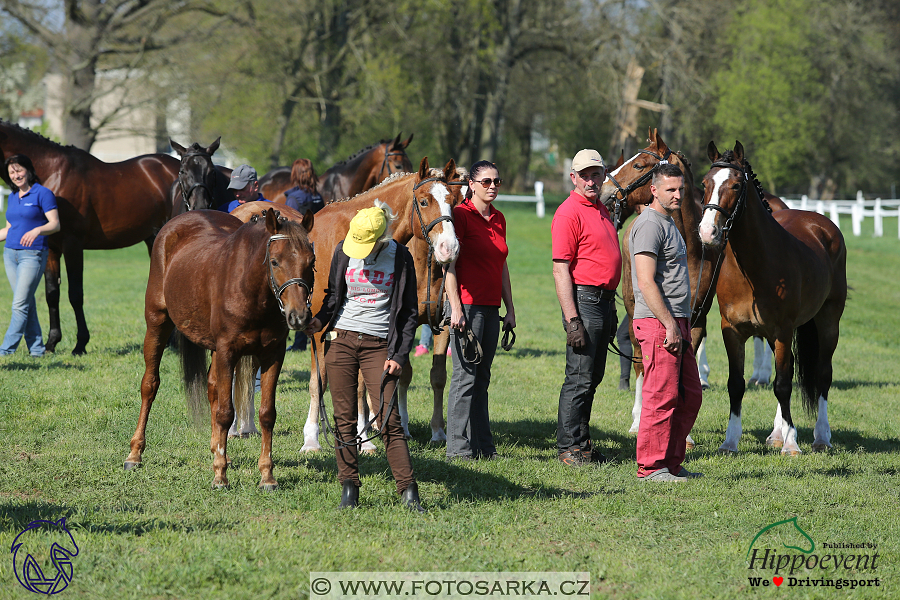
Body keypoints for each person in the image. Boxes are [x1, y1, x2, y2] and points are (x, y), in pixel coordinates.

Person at [305, 204, 423, 511]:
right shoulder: (345, 250)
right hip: (341, 342)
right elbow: (333, 296)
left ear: (382, 236)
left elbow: (409, 311)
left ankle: (409, 492)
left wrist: (399, 354)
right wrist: (318, 321)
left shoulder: (400, 257)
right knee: (343, 419)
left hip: (380, 346)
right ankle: (349, 490)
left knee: (388, 420)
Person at [630, 163, 703, 482]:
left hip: (678, 321)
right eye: (670, 189)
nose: (677, 194)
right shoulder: (648, 224)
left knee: (689, 393)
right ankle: (650, 467)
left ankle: (671, 462)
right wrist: (669, 324)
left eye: (681, 189)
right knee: (660, 396)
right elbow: (646, 282)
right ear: (653, 190)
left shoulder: (670, 223)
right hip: (659, 322)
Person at [551, 149, 620, 466]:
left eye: (597, 174)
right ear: (574, 177)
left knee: (593, 376)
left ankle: (582, 443)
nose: (592, 180)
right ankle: (569, 448)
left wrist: (612, 308)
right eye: (586, 175)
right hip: (585, 300)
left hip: (603, 301)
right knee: (579, 377)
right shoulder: (569, 212)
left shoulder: (601, 209)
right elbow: (560, 269)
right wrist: (572, 320)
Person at [444, 160, 515, 461]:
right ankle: (457, 450)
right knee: (464, 378)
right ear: (471, 184)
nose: (492, 186)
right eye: (485, 181)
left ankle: (483, 446)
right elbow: (449, 265)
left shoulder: (499, 218)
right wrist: (456, 308)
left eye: (496, 181)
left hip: (490, 306)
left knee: (482, 378)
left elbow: (501, 266)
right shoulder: (460, 215)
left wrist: (510, 307)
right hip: (467, 307)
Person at [0, 155, 60, 357]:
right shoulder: (14, 197)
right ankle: (36, 350)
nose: (16, 175)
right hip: (10, 254)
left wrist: (37, 230)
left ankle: (5, 351)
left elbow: (55, 224)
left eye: (19, 170)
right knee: (26, 302)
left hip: (32, 255)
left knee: (19, 304)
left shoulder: (43, 194)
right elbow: (9, 228)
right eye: (12, 172)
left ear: (28, 170)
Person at [284, 159, 325, 352]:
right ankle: (303, 340)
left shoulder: (294, 199)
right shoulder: (318, 196)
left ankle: (298, 341)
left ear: (295, 174)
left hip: (299, 250)